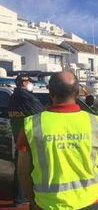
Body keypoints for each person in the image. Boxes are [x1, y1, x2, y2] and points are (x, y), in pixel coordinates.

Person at [16, 71, 98, 210]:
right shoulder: (96, 122)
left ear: (50, 93)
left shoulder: (31, 125)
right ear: (78, 92)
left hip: (47, 203)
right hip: (90, 200)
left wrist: (32, 199)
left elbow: (22, 171)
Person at [7, 74, 45, 206]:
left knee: (20, 168)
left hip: (18, 136)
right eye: (29, 82)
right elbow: (42, 113)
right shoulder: (26, 97)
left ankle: (18, 198)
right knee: (32, 169)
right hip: (31, 138)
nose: (31, 85)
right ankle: (29, 196)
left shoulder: (13, 97)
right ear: (24, 83)